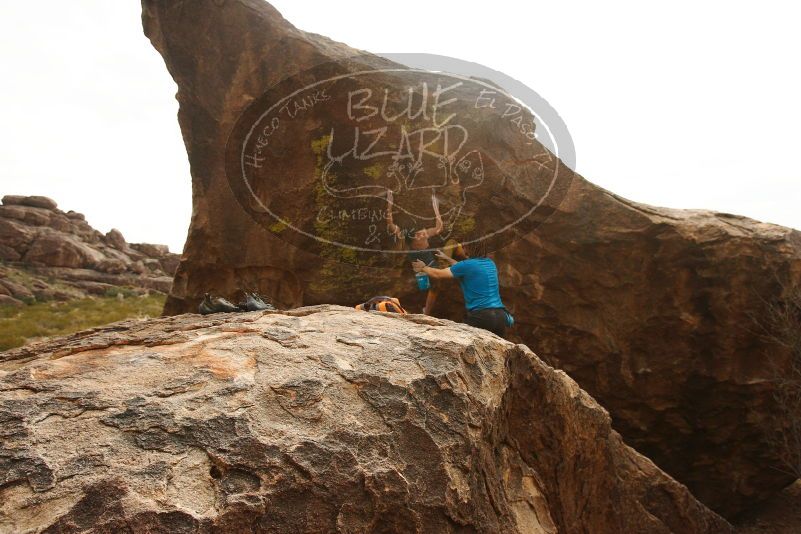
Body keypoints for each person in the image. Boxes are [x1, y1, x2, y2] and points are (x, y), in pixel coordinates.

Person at [411, 240, 511, 337]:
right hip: (500, 317)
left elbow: (437, 274)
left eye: (464, 246)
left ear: (469, 248)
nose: (462, 248)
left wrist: (423, 267)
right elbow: (466, 267)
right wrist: (448, 258)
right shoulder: (490, 263)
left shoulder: (467, 265)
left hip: (481, 317)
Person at [386, 190, 444, 315]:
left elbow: (439, 227)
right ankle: (416, 309)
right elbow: (390, 225)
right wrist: (389, 205)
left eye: (423, 232)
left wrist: (436, 208)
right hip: (417, 263)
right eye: (419, 234)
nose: (423, 235)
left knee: (436, 286)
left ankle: (427, 311)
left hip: (429, 261)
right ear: (412, 237)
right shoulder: (407, 237)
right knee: (422, 288)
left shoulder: (425, 233)